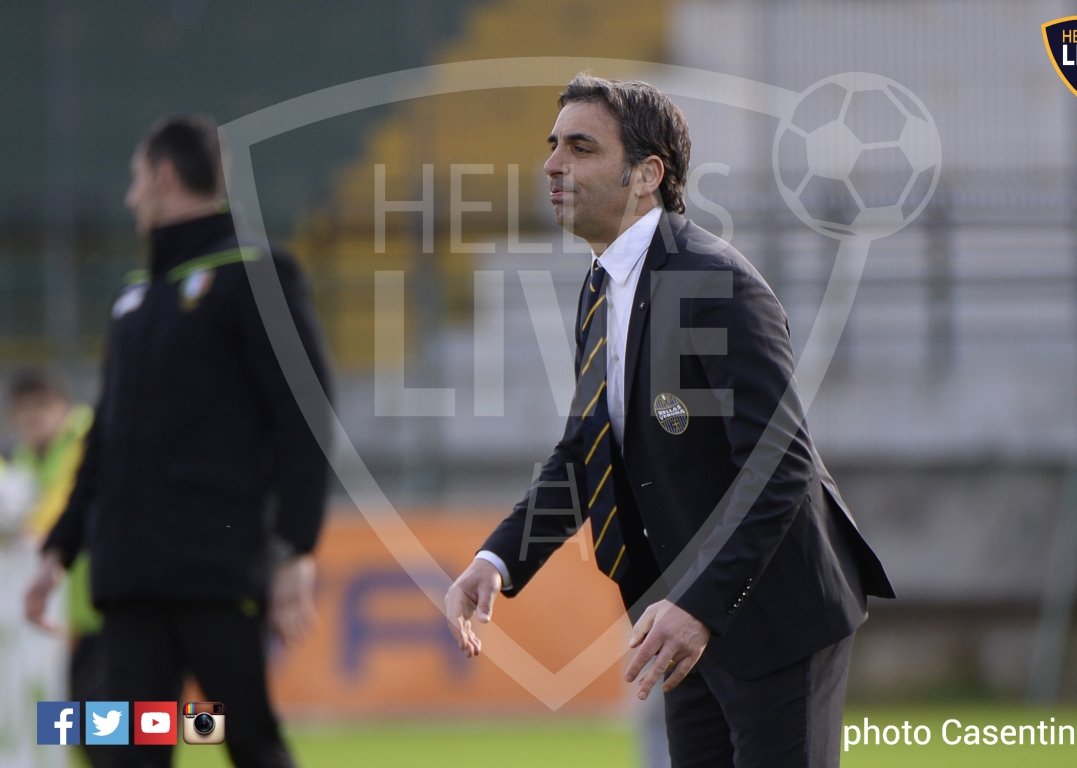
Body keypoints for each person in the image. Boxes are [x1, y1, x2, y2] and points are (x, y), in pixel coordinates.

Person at [445, 75, 895, 768]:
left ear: (647, 174)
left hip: (771, 615)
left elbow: (778, 467)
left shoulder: (714, 284)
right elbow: (587, 453)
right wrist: (497, 559)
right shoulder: (600, 287)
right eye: (553, 145)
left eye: (580, 148)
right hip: (681, 616)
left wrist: (700, 605)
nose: (552, 164)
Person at [24, 114, 331, 768]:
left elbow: (304, 413)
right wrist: (61, 548)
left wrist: (297, 548)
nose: (131, 197)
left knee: (245, 739)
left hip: (215, 574)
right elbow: (104, 438)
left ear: (164, 177)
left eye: (137, 180)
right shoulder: (136, 300)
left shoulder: (255, 275)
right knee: (127, 746)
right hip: (130, 580)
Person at [7, 369, 108, 768]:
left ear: (63, 405)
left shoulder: (86, 439)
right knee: (67, 713)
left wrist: (25, 529)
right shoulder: (26, 456)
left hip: (100, 599)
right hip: (61, 611)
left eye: (41, 407)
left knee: (95, 708)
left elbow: (59, 510)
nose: (32, 418)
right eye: (23, 410)